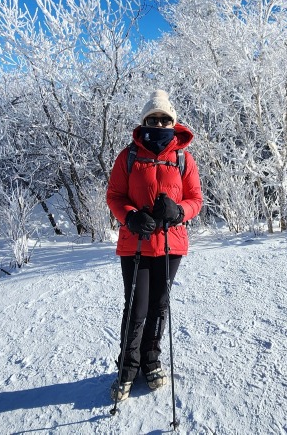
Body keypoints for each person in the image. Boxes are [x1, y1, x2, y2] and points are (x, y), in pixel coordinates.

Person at [105, 89, 203, 402]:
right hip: (136, 244)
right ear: (145, 120)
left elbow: (196, 199)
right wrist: (130, 216)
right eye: (153, 118)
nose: (159, 124)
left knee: (159, 307)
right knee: (136, 309)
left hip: (171, 245)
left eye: (164, 119)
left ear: (172, 122)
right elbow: (114, 197)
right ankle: (126, 369)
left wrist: (179, 211)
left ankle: (151, 362)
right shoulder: (129, 156)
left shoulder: (183, 158)